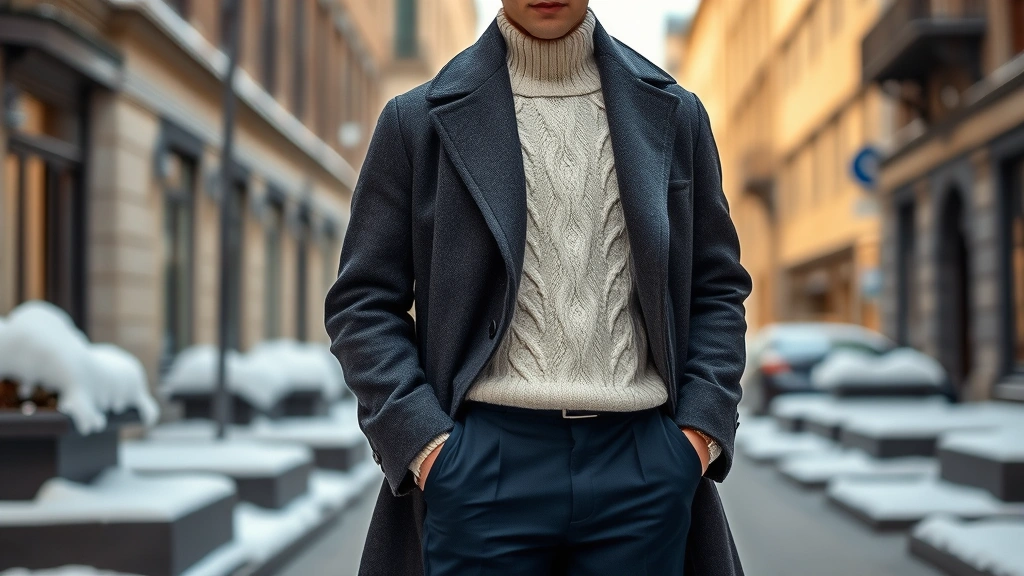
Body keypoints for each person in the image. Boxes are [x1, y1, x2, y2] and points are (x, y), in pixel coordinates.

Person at [324, 1, 752, 574]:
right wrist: (428, 450)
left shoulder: (675, 113)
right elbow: (362, 303)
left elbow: (717, 287)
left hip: (642, 467)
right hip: (482, 468)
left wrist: (695, 439)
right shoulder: (415, 121)